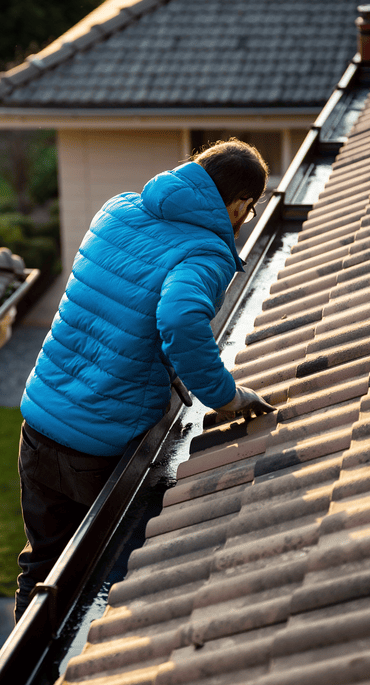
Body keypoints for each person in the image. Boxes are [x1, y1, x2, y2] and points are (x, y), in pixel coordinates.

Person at [14, 138, 274, 621]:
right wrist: (227, 398)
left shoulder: (118, 209)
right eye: (249, 212)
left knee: (42, 568)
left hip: (39, 425)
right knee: (117, 582)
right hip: (101, 448)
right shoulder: (205, 253)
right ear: (240, 205)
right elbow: (179, 321)